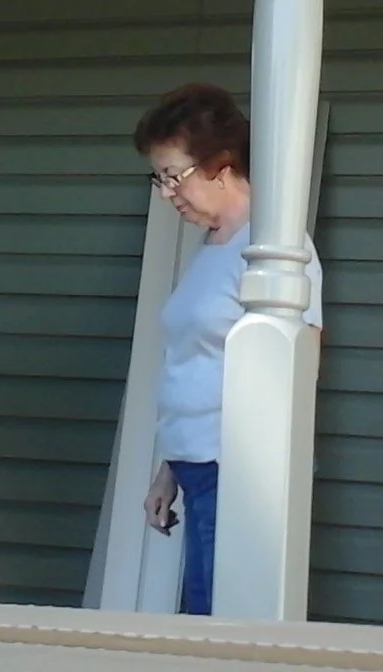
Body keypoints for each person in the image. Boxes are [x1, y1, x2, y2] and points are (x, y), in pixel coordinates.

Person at [133, 82, 323, 616]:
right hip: (196, 468)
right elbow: (198, 364)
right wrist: (167, 472)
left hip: (235, 475)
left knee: (222, 624)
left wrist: (250, 477)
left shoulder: (275, 247)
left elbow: (301, 364)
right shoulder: (214, 245)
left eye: (174, 176)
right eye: (160, 179)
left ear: (220, 164)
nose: (166, 193)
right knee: (201, 618)